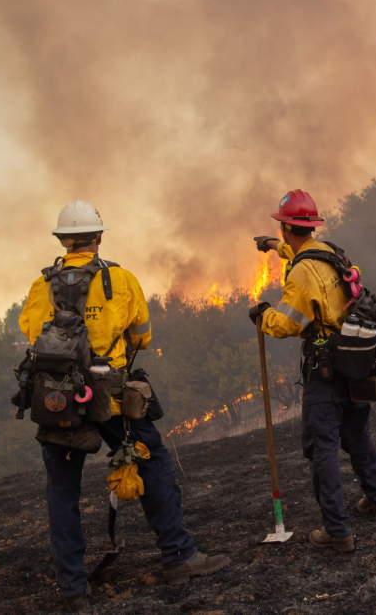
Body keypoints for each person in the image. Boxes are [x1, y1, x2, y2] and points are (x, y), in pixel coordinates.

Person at [19, 200, 228, 612]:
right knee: (152, 466)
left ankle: (73, 590)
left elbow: (31, 333)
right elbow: (144, 336)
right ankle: (178, 556)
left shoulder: (40, 286)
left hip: (59, 400)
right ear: (98, 238)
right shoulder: (121, 279)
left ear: (63, 240)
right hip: (111, 396)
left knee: (62, 491)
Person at [250, 189, 376, 553]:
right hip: (354, 358)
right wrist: (270, 245)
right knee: (357, 432)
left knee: (322, 447)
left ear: (285, 227)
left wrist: (263, 315)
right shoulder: (332, 252)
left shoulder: (299, 275)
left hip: (324, 367)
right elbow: (302, 251)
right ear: (311, 226)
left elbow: (288, 324)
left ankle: (337, 530)